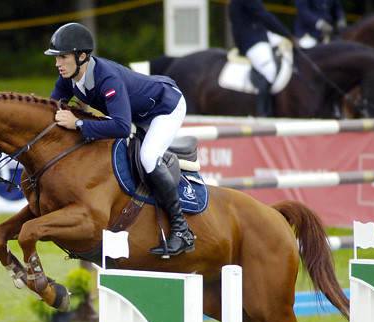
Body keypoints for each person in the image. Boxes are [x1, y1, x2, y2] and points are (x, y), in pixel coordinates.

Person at [45, 22, 195, 258]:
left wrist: (78, 124)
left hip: (166, 107)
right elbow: (51, 109)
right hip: (137, 111)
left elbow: (122, 127)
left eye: (62, 57)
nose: (57, 64)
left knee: (147, 158)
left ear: (81, 56)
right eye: (56, 58)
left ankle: (182, 231)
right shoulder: (68, 77)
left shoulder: (108, 79)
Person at [228, 0, 293, 117]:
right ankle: (262, 112)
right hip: (252, 40)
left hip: (262, 34)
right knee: (270, 70)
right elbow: (264, 16)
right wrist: (287, 34)